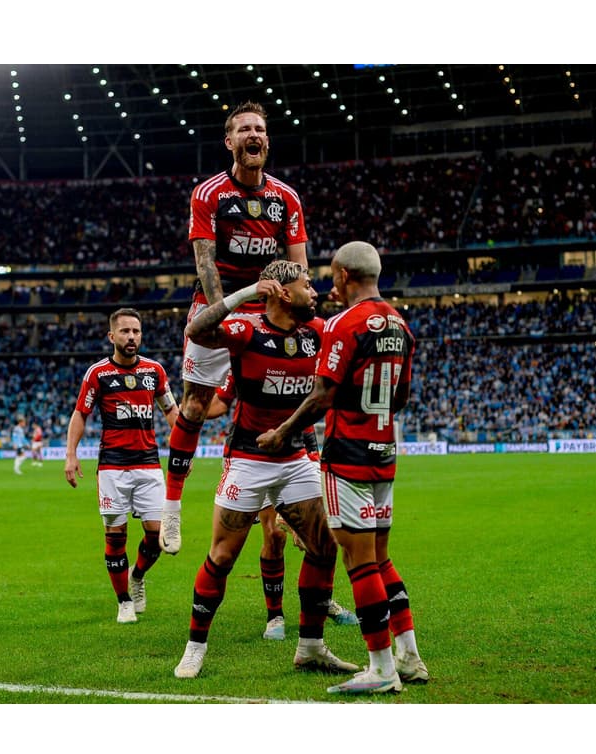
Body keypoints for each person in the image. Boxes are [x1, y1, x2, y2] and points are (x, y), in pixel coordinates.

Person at [258, 240, 429, 695]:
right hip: (384, 456)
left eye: (329, 275)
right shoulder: (400, 325)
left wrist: (282, 433)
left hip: (348, 457)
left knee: (358, 562)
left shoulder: (343, 325)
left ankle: (381, 668)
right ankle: (409, 656)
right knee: (381, 557)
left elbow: (321, 396)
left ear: (342, 275)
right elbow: (402, 398)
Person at [172, 260, 357, 682]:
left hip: (295, 460)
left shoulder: (317, 333)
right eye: (307, 286)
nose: (315, 292)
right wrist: (242, 295)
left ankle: (310, 647)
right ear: (282, 293)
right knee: (222, 556)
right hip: (248, 460)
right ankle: (194, 647)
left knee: (325, 546)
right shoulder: (248, 330)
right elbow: (196, 331)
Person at [159, 100, 309, 556]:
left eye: (260, 129)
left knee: (288, 400)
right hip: (219, 307)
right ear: (230, 142)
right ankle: (171, 506)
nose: (253, 135)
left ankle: (299, 504)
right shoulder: (209, 194)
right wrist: (231, 308)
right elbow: (206, 267)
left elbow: (299, 267)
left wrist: (292, 310)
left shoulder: (286, 199)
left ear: (267, 140)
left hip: (269, 311)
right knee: (195, 405)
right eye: (244, 129)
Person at [207, 375, 358, 640]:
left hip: (298, 446)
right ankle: (274, 615)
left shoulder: (305, 350)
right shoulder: (251, 351)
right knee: (274, 535)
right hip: (253, 453)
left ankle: (324, 602)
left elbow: (313, 408)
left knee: (321, 538)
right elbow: (220, 402)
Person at [64, 308, 179, 623]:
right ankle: (124, 601)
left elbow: (171, 411)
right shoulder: (97, 374)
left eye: (136, 331)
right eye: (126, 331)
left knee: (158, 537)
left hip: (148, 465)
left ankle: (137, 576)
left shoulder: (155, 371)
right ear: (111, 336)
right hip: (113, 468)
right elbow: (80, 414)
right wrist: (71, 454)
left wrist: (184, 450)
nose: (132, 337)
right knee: (115, 536)